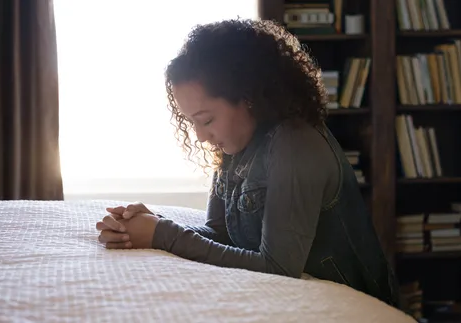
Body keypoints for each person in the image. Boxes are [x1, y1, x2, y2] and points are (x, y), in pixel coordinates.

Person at [96, 18, 400, 307]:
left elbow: (279, 268)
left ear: (249, 97)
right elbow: (220, 235)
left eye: (207, 120)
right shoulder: (235, 147)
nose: (201, 136)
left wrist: (162, 235)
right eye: (192, 123)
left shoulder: (294, 144)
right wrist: (152, 225)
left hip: (347, 305)